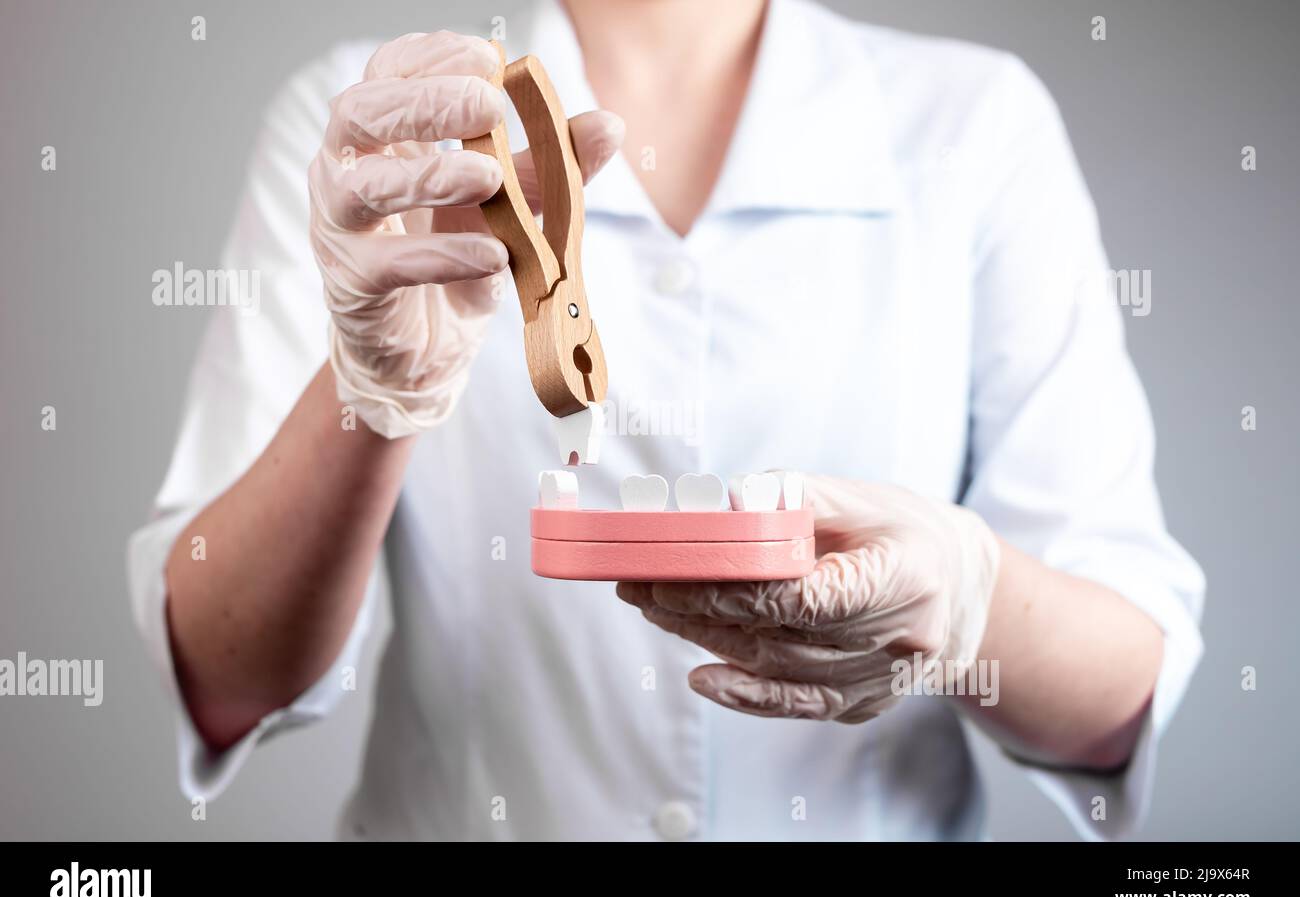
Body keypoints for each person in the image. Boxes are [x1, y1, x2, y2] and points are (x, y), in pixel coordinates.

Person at [127, 0, 1204, 841]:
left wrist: (970, 607)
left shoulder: (974, 122)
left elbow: (1119, 695)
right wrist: (370, 394)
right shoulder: (371, 129)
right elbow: (225, 677)